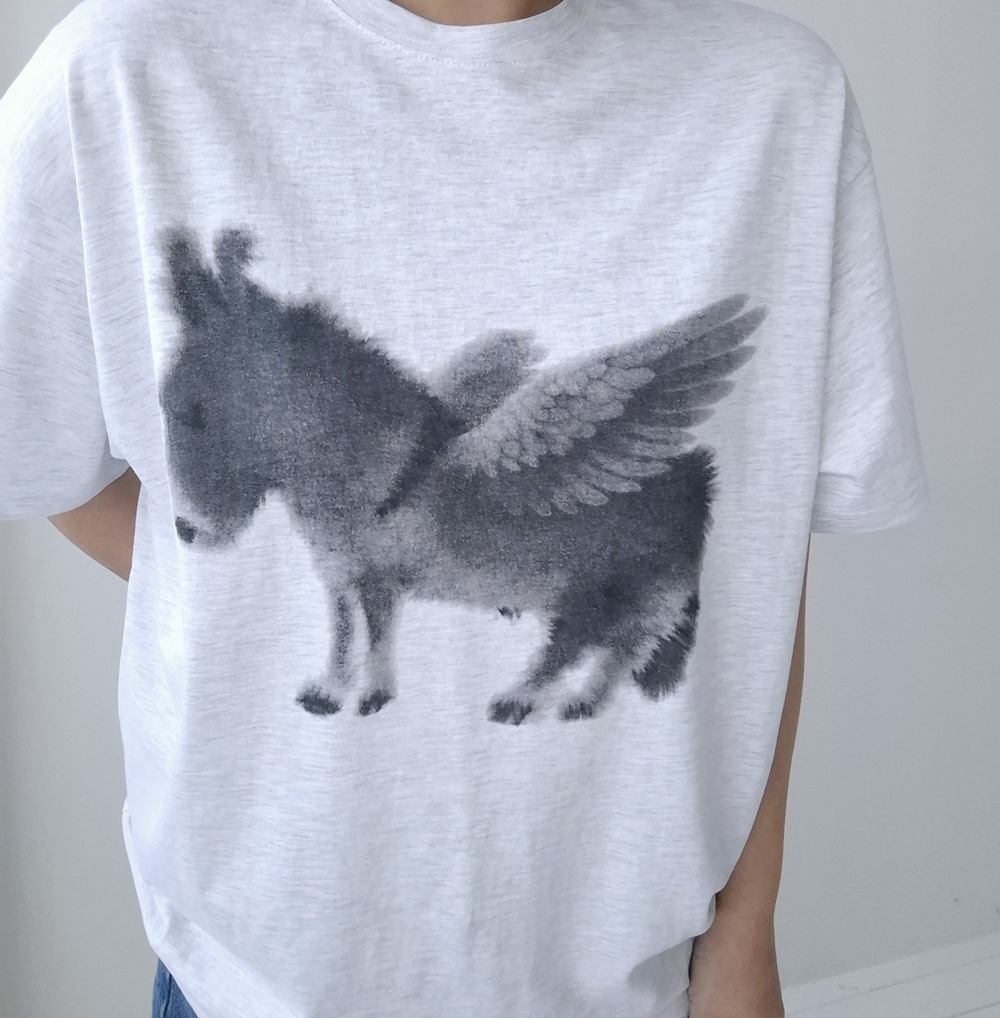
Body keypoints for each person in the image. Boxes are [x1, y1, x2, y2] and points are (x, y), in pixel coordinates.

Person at [0, 0, 932, 1015]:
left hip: (633, 987)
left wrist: (745, 934)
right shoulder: (125, 73)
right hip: (245, 987)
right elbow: (44, 458)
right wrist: (271, 586)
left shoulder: (776, 100)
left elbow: (756, 556)